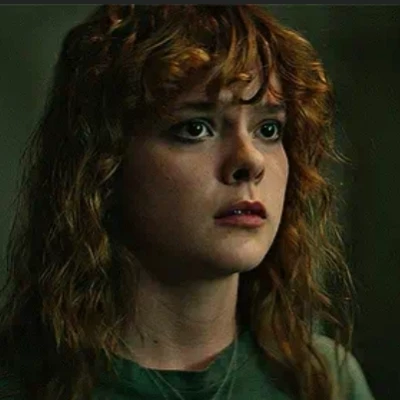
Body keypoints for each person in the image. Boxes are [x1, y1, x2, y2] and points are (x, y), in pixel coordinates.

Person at [0, 5, 375, 400]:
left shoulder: (321, 380)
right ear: (102, 166)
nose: (250, 161)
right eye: (195, 128)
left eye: (268, 129)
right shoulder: (19, 384)